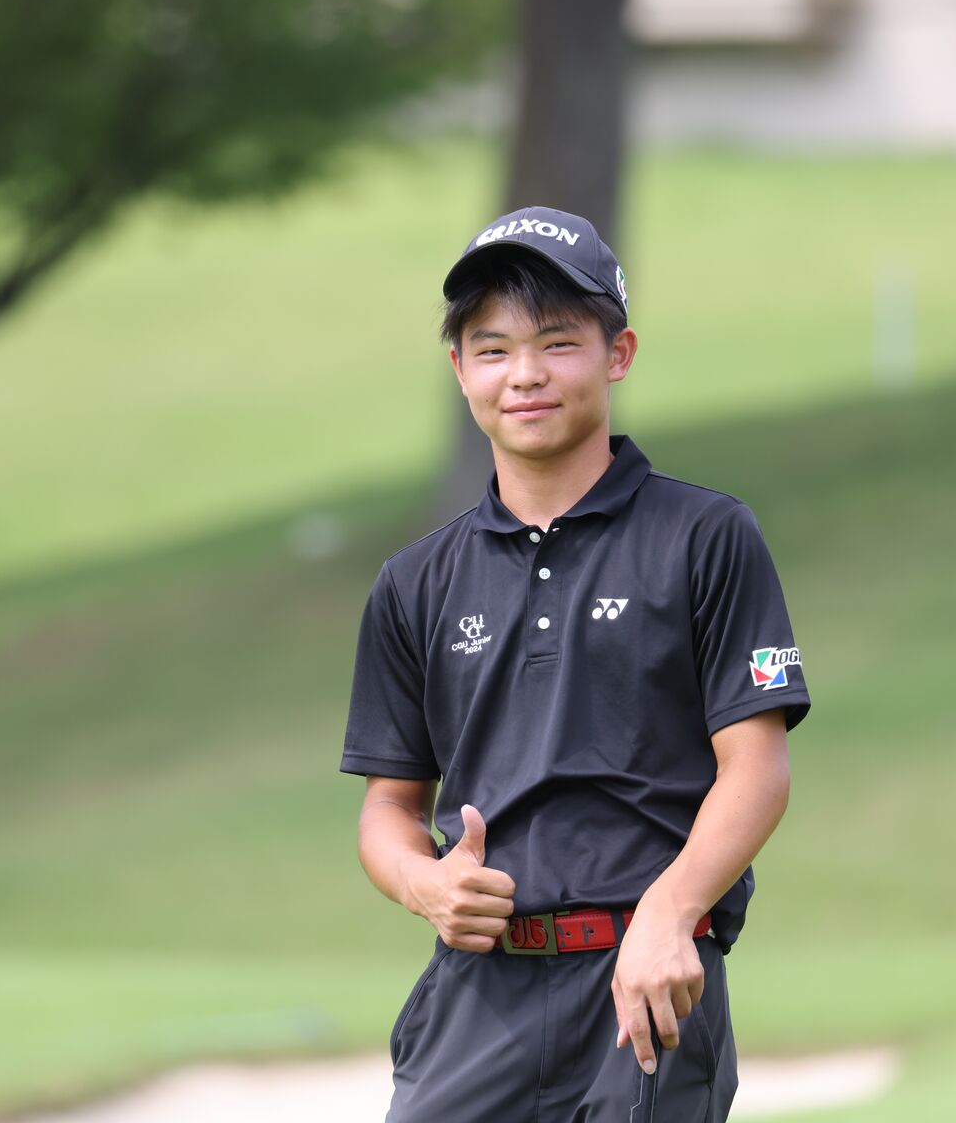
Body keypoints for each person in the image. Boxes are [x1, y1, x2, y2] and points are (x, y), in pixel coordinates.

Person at [340, 205, 809, 1121]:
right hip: (476, 994)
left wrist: (671, 914)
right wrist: (426, 884)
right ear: (460, 370)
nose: (525, 375)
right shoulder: (415, 582)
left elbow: (757, 771)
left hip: (646, 981)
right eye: (493, 349)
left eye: (558, 343)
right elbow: (389, 808)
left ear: (617, 354)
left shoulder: (705, 536)